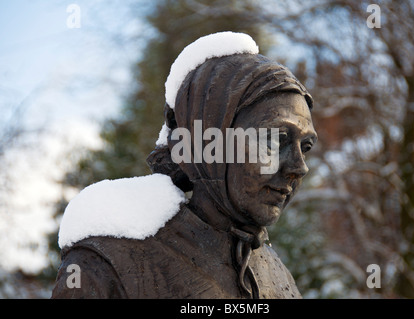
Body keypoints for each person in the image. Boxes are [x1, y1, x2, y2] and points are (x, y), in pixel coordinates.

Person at [51, 32, 317, 299]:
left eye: (305, 147)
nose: (299, 167)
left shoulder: (277, 276)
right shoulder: (107, 265)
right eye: (274, 140)